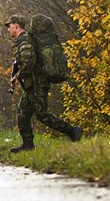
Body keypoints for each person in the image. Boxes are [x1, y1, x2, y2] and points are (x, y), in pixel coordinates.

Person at [5, 14, 82, 153]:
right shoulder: (24, 40)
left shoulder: (25, 40)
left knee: (41, 114)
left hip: (37, 83)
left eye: (9, 26)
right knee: (22, 112)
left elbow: (29, 61)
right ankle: (28, 145)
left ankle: (72, 131)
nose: (8, 29)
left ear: (16, 25)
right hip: (32, 85)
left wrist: (18, 76)